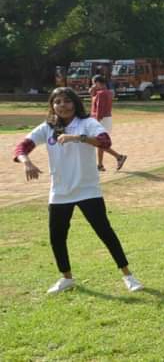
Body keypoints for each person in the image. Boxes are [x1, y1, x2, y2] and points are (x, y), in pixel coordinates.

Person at [13, 87, 144, 294]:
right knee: (57, 237)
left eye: (67, 101)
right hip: (60, 192)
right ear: (52, 106)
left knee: (105, 232)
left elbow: (105, 141)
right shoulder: (48, 127)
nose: (62, 106)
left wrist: (77, 137)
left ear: (75, 103)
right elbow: (21, 147)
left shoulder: (87, 123)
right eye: (57, 102)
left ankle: (128, 276)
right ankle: (66, 278)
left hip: (88, 190)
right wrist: (26, 162)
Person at [88, 75, 127, 172]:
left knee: (99, 142)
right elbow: (93, 97)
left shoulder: (101, 93)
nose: (92, 85)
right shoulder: (107, 92)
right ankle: (100, 165)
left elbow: (99, 109)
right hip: (106, 119)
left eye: (93, 83)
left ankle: (119, 157)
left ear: (97, 83)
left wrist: (96, 121)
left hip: (101, 119)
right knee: (100, 142)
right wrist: (92, 90)